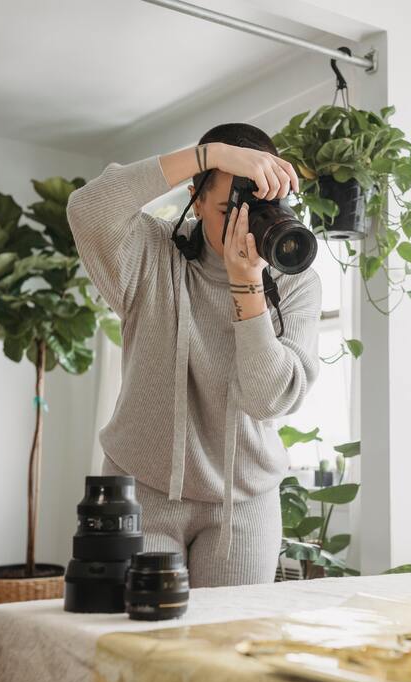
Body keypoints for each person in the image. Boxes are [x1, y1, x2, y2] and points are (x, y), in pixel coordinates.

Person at [66, 123, 322, 588]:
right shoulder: (152, 252)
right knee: (138, 648)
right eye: (228, 209)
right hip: (142, 488)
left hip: (242, 501)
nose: (245, 226)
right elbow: (89, 206)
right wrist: (213, 155)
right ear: (197, 199)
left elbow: (269, 400)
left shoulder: (293, 278)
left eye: (259, 210)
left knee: (225, 649)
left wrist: (248, 287)